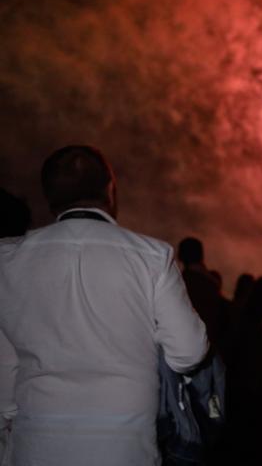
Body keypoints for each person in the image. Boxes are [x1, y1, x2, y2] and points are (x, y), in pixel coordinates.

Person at [0, 145, 208, 466]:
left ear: (48, 195)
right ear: (111, 190)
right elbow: (189, 351)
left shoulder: (8, 258)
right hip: (125, 446)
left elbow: (5, 363)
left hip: (36, 442)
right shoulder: (153, 256)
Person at [178, 237, 229, 359]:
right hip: (211, 351)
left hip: (185, 352)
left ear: (180, 256)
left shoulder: (180, 283)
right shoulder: (212, 285)